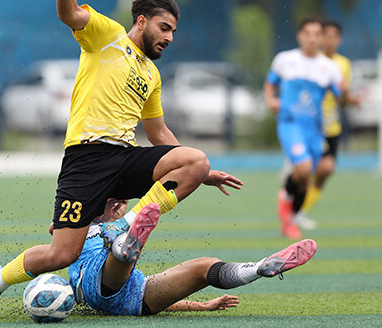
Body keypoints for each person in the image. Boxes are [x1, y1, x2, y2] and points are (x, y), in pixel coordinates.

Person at [0, 0, 243, 318]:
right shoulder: (108, 35)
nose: (169, 37)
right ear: (142, 21)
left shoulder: (151, 74)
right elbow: (69, 14)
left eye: (174, 32)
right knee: (60, 254)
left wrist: (200, 171)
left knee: (195, 160)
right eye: (165, 28)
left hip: (125, 157)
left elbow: (159, 133)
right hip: (86, 158)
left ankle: (130, 228)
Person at [65, 199, 316, 316]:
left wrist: (203, 305)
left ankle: (259, 268)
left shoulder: (97, 228)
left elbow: (167, 304)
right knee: (115, 260)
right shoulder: (77, 224)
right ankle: (125, 250)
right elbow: (56, 231)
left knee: (204, 267)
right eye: (114, 202)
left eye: (122, 203)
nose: (119, 207)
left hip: (135, 300)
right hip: (99, 283)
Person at [263, 17, 343, 239]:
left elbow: (339, 96)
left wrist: (348, 95)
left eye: (316, 34)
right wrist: (271, 100)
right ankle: (289, 212)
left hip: (315, 129)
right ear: (300, 36)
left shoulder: (329, 68)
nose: (311, 38)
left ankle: (290, 212)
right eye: (307, 33)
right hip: (290, 124)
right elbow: (270, 83)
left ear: (321, 38)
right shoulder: (285, 60)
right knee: (304, 168)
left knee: (304, 178)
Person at [295, 20, 360, 230]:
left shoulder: (343, 65)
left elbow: (342, 96)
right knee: (309, 169)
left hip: (331, 126)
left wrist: (351, 98)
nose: (330, 40)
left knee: (326, 170)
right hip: (310, 125)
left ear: (339, 40)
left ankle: (300, 209)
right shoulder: (313, 62)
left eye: (334, 36)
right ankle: (294, 206)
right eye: (326, 35)